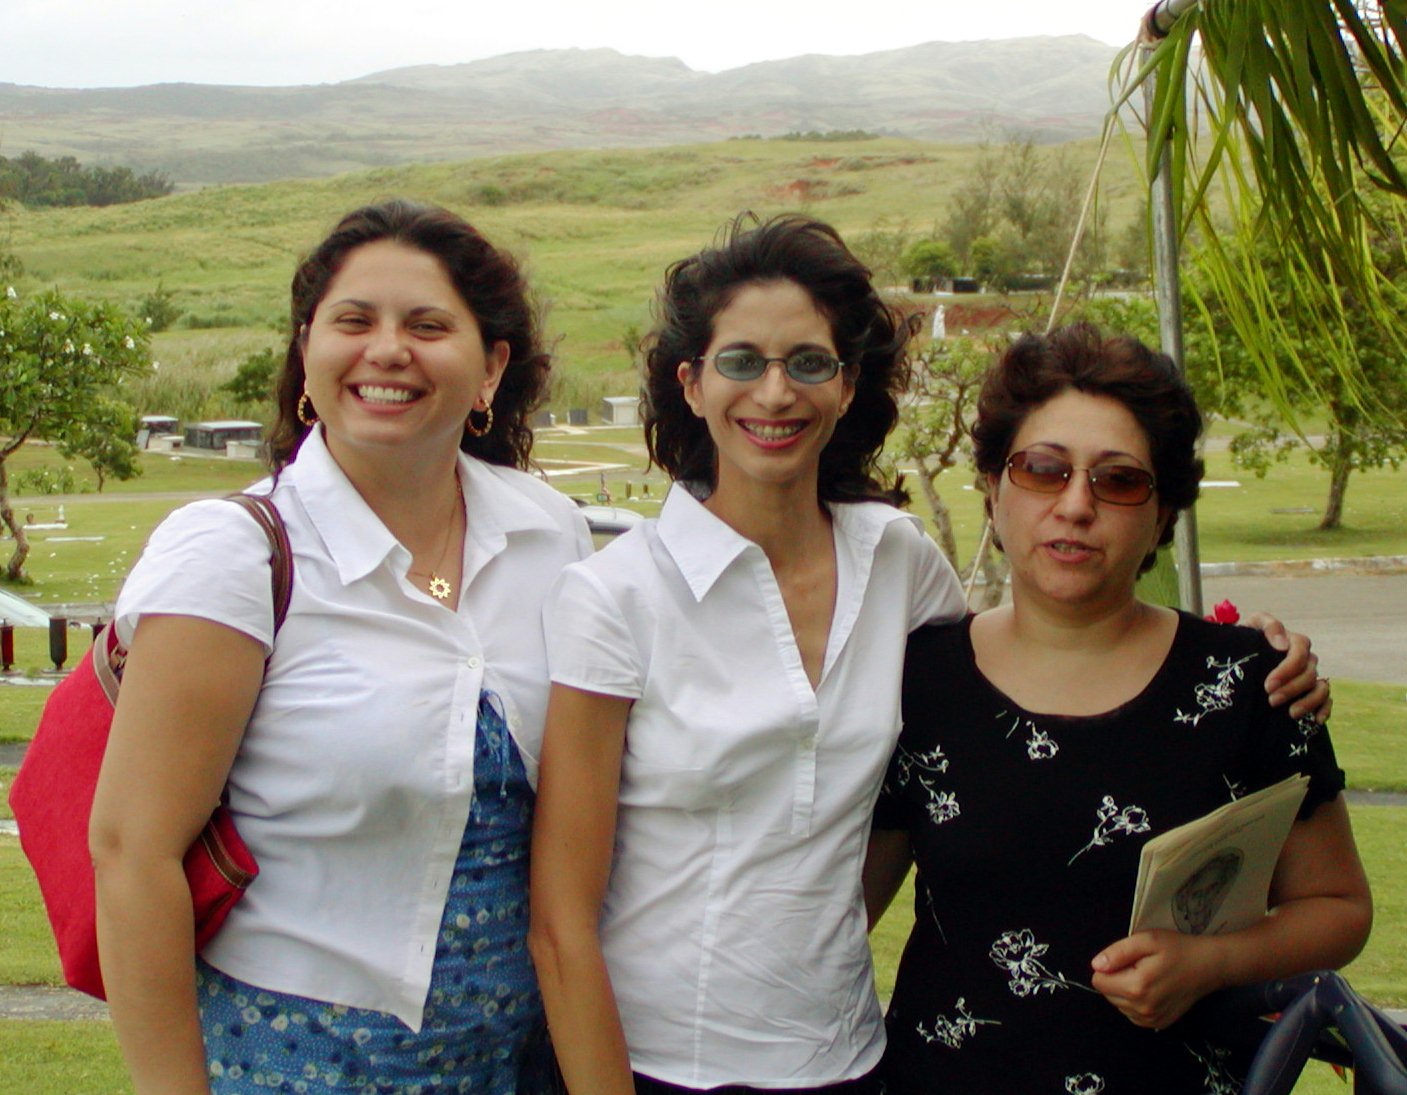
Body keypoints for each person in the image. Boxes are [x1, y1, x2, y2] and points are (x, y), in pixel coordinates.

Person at [526, 218, 1327, 1095]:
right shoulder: (616, 597)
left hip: (851, 1058)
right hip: (657, 1059)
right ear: (690, 382)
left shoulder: (896, 560)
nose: (774, 391)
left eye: (808, 362)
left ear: (846, 384)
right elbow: (561, 920)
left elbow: (1039, 647)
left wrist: (1238, 652)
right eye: (741, 361)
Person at [90, 199, 592, 1094]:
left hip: (517, 1059)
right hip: (297, 1057)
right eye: (353, 321)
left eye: (428, 325)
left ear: (491, 367)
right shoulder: (234, 553)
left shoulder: (548, 534)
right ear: (307, 352)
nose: (387, 349)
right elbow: (133, 854)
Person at [867, 324, 1372, 1094]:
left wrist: (1209, 961)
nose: (1075, 505)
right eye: (1042, 469)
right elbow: (841, 910)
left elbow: (1337, 907)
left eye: (1119, 480)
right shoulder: (915, 679)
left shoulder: (1249, 684)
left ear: (1161, 515)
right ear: (992, 488)